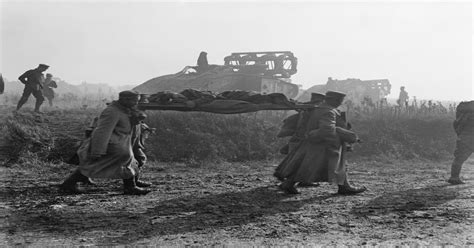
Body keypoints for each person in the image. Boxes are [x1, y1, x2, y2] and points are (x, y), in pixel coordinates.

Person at [60, 90, 151, 195]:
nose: (136, 103)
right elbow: (102, 131)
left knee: (130, 160)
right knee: (96, 165)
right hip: (112, 144)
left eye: (137, 101)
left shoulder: (126, 110)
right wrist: (97, 150)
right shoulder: (112, 111)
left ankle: (132, 184)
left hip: (123, 142)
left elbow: (130, 125)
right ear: (125, 100)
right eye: (134, 101)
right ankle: (69, 184)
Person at [276, 91, 366, 195]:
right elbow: (327, 129)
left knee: (306, 165)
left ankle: (288, 183)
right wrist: (345, 134)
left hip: (314, 143)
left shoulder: (318, 109)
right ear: (333, 100)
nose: (340, 103)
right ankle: (344, 187)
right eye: (339, 101)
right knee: (338, 165)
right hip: (324, 145)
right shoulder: (329, 112)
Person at [275, 92, 325, 187]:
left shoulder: (306, 108)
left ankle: (299, 180)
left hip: (299, 137)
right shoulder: (313, 109)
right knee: (299, 161)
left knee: (295, 159)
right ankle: (287, 179)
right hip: (304, 138)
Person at [448, 101, 474, 184]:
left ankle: (454, 177)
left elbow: (455, 124)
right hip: (469, 138)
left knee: (459, 158)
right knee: (459, 159)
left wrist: (460, 135)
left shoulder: (463, 115)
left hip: (464, 139)